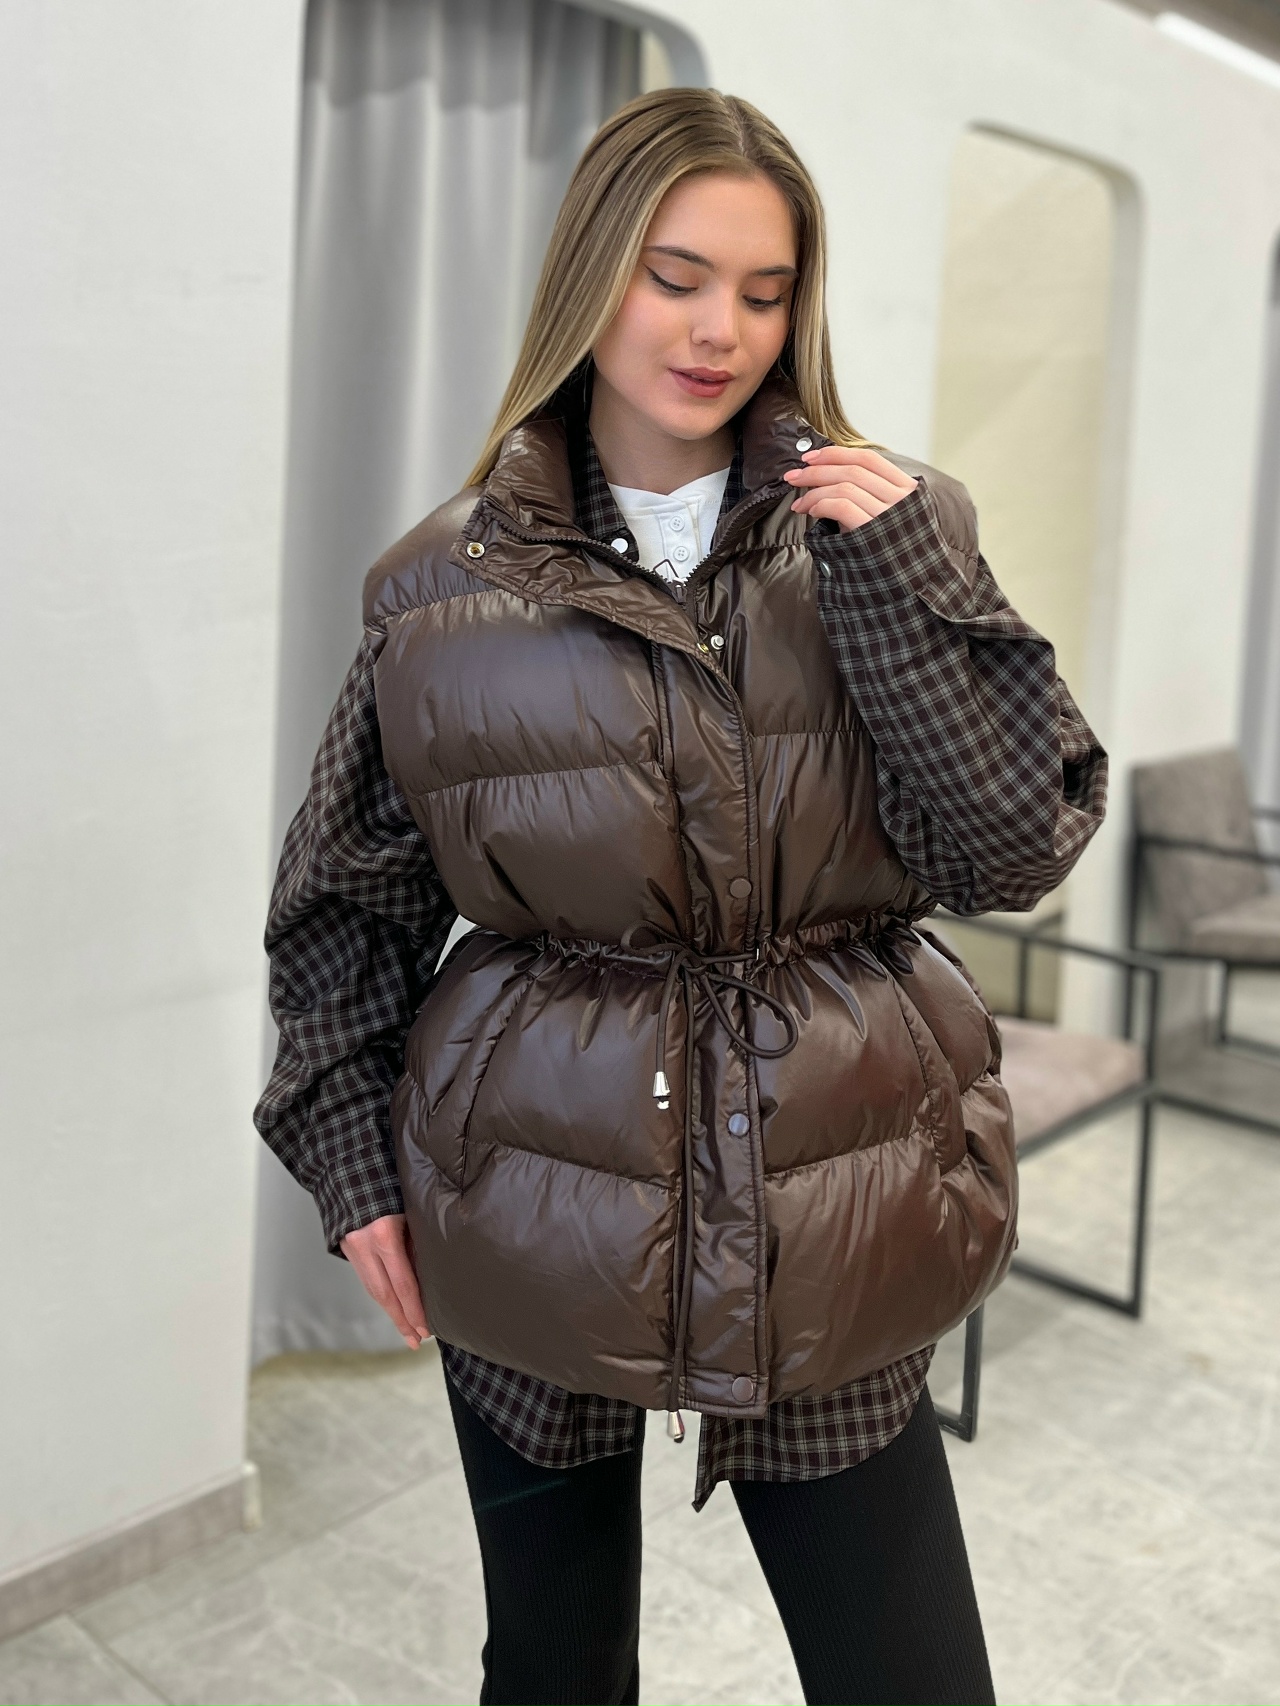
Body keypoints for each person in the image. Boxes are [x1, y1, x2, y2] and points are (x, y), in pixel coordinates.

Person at [256, 87, 1106, 1706]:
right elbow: (344, 909)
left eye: (766, 292)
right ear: (592, 274)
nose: (722, 329)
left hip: (828, 1186)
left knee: (913, 1675)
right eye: (677, 276)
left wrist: (908, 590)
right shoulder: (438, 587)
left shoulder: (890, 532)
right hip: (533, 1185)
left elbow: (1011, 853)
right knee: (556, 1665)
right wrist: (352, 1163)